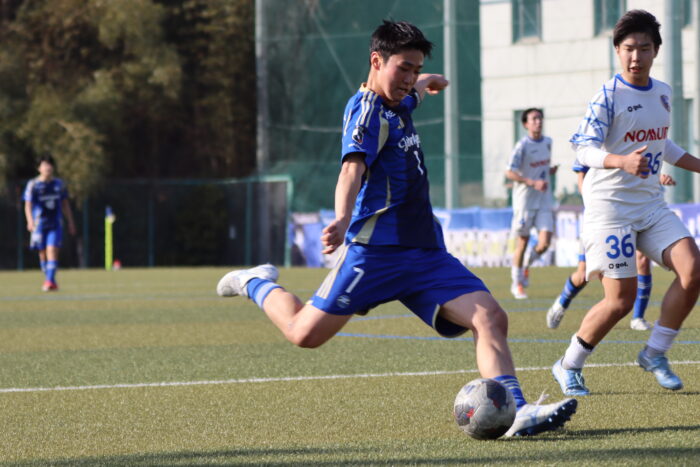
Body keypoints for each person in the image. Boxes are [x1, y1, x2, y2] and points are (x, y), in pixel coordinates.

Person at [217, 20, 577, 437]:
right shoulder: (367, 111)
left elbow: (414, 90)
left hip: (425, 254)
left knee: (491, 317)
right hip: (376, 254)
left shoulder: (400, 100)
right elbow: (351, 170)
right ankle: (255, 282)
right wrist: (342, 217)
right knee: (303, 333)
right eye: (403, 68)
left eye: (414, 69)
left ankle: (517, 412)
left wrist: (428, 79)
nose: (408, 79)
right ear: (376, 61)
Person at [552, 10, 700, 397]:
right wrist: (620, 161)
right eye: (629, 48)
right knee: (620, 300)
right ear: (617, 50)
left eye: (644, 48)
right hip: (610, 210)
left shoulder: (663, 92)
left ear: (656, 51)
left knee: (693, 270)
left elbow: (663, 145)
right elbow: (582, 149)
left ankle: (655, 352)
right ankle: (569, 364)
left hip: (650, 206)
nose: (636, 57)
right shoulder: (607, 96)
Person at [546, 168, 677, 331]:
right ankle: (562, 303)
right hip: (603, 218)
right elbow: (582, 183)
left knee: (642, 261)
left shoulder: (637, 151)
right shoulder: (593, 152)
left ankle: (638, 318)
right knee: (583, 275)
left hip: (637, 211)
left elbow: (639, 171)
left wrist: (655, 178)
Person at [505, 108, 558, 299]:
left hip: (543, 200)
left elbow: (540, 167)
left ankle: (527, 263)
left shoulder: (548, 142)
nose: (538, 121)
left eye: (540, 118)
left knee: (545, 243)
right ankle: (517, 284)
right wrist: (532, 182)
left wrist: (549, 171)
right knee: (523, 242)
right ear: (526, 124)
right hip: (525, 202)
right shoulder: (522, 146)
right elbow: (509, 172)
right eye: (534, 119)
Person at [23, 154, 76, 292]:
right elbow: (28, 205)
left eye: (50, 164)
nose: (48, 167)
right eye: (45, 165)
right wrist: (30, 221)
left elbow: (65, 204)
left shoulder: (59, 184)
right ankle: (50, 280)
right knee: (42, 254)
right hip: (39, 224)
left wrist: (70, 222)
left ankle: (49, 281)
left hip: (55, 223)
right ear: (39, 168)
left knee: (52, 250)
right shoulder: (33, 185)